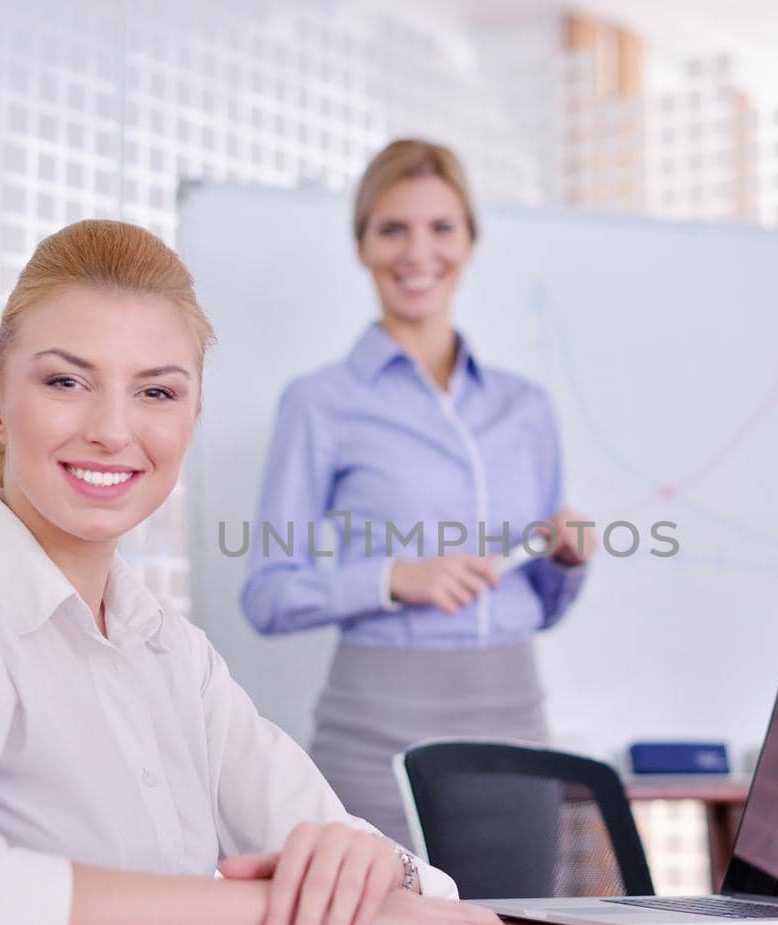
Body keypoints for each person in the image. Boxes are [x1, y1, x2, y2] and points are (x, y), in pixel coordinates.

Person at [0, 219, 509, 925]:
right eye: (67, 381)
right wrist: (268, 910)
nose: (111, 429)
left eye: (156, 391)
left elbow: (413, 895)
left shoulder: (174, 655)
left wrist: (376, 874)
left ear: (192, 420)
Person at [241, 140, 593, 846]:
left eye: (441, 228)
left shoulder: (526, 409)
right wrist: (394, 579)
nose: (418, 252)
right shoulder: (320, 402)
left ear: (470, 242)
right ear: (362, 245)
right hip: (378, 738)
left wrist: (567, 561)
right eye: (393, 229)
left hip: (517, 733)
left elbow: (544, 608)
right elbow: (267, 595)